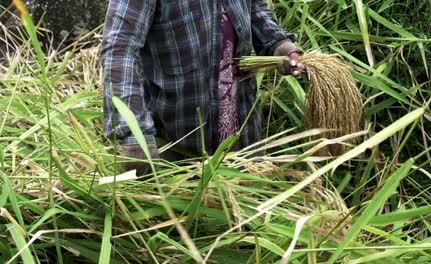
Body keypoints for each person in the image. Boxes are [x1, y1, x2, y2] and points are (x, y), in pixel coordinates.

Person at [101, 0, 304, 175]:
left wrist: (278, 44)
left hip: (243, 134)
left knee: (248, 209)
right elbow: (120, 51)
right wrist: (134, 134)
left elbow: (254, 9)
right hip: (180, 148)